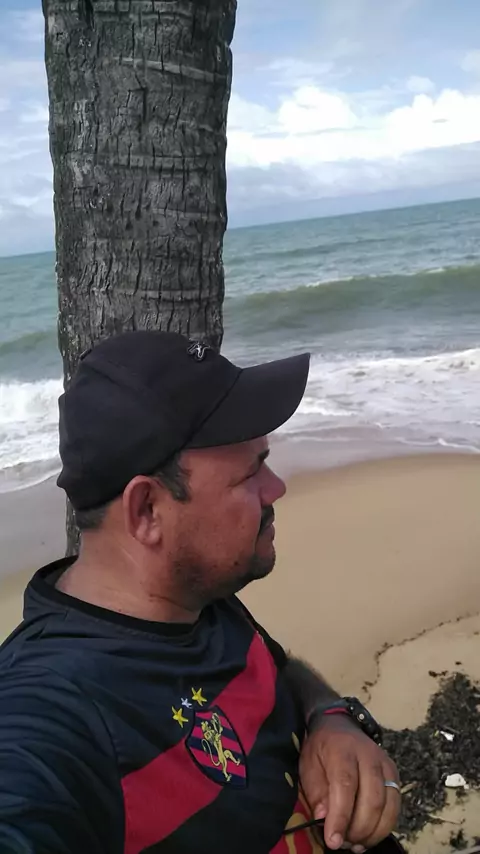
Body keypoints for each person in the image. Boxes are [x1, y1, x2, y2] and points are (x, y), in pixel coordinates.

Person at [0, 331, 401, 854]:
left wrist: (327, 715)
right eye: (251, 473)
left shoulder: (198, 598)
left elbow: (279, 670)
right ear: (147, 511)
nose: (276, 488)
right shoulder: (55, 713)